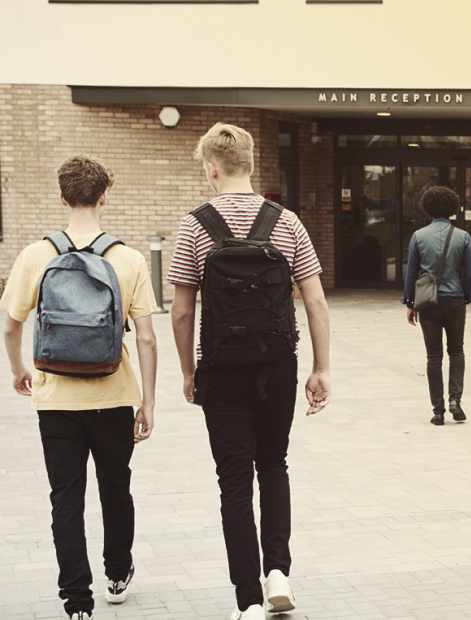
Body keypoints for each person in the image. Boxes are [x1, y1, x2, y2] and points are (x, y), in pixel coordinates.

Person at [168, 123, 331, 620]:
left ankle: (249, 601)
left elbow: (179, 311)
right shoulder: (287, 222)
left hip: (221, 370)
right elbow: (316, 301)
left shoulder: (195, 225)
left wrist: (188, 371)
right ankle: (278, 572)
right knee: (273, 463)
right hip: (278, 364)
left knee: (234, 481)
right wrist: (321, 368)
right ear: (253, 165)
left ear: (210, 169)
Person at [1, 155, 158, 620]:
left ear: (62, 196)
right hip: (113, 396)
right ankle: (117, 572)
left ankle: (77, 600)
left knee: (65, 497)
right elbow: (146, 337)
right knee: (116, 488)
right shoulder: (128, 259)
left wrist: (19, 370)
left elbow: (10, 326)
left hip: (55, 400)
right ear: (104, 196)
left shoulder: (35, 255)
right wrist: (147, 401)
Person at [402, 186, 471, 426]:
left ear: (428, 207)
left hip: (428, 302)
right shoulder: (463, 236)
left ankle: (438, 410)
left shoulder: (418, 236)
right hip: (454, 300)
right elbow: (470, 272)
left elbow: (412, 272)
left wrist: (410, 302)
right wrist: (466, 295)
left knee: (433, 355)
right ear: (453, 208)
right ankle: (456, 399)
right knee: (456, 350)